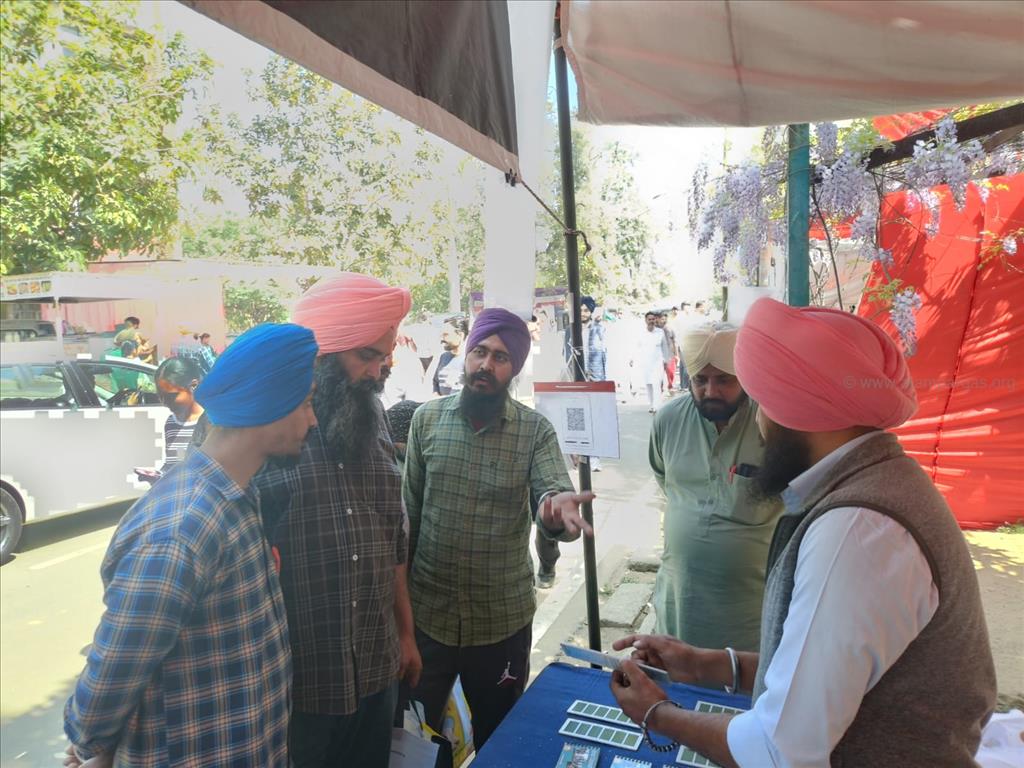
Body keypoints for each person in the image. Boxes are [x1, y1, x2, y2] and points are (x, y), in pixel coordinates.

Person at [610, 298, 996, 768]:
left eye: (764, 404)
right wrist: (706, 664)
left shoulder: (857, 531)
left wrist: (657, 714)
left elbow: (778, 750)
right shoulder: (878, 486)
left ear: (797, 408)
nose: (759, 423)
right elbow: (819, 676)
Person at [63, 323, 319, 768]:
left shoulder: (236, 496)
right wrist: (91, 746)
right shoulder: (181, 529)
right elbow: (111, 678)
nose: (313, 421)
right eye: (307, 403)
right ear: (270, 403)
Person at [403, 308, 596, 750]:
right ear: (467, 355)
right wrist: (401, 619)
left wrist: (553, 514)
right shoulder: (426, 420)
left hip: (500, 624)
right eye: (480, 352)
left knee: (500, 737)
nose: (486, 365)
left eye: (501, 358)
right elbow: (408, 516)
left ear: (515, 368)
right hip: (429, 619)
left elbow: (553, 494)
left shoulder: (534, 431)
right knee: (416, 737)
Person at [257, 273, 416, 768]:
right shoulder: (264, 426)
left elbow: (392, 539)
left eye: (384, 357)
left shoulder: (374, 415)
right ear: (321, 354)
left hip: (377, 668)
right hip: (299, 684)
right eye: (366, 356)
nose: (378, 371)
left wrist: (406, 635)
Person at [649, 323, 782, 654]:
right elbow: (666, 481)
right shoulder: (668, 420)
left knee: (739, 683)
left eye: (724, 380)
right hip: (679, 606)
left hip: (748, 616)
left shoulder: (774, 425)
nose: (710, 391)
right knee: (675, 679)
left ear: (745, 375)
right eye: (700, 380)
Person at [155, 357, 205, 473]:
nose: (164, 402)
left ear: (193, 385)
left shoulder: (212, 423)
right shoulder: (171, 422)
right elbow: (174, 463)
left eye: (171, 396)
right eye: (160, 396)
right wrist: (159, 475)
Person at [634, 311, 666, 412]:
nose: (651, 321)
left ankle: (657, 406)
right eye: (649, 319)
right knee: (648, 385)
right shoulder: (641, 333)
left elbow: (664, 347)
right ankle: (652, 405)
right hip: (645, 363)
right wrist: (634, 359)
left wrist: (666, 360)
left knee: (656, 384)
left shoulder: (660, 332)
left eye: (653, 319)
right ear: (646, 320)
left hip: (657, 363)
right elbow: (636, 348)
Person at [433, 315, 468, 395]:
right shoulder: (444, 357)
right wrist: (436, 394)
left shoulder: (470, 359)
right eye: (441, 335)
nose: (442, 339)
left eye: (445, 334)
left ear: (460, 335)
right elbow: (436, 382)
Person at [657, 312, 679, 393]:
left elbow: (675, 342)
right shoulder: (656, 330)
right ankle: (660, 388)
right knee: (659, 373)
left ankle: (670, 386)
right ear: (658, 319)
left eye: (665, 319)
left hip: (670, 354)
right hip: (659, 355)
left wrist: (676, 355)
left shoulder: (670, 329)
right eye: (662, 319)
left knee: (671, 371)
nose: (664, 321)